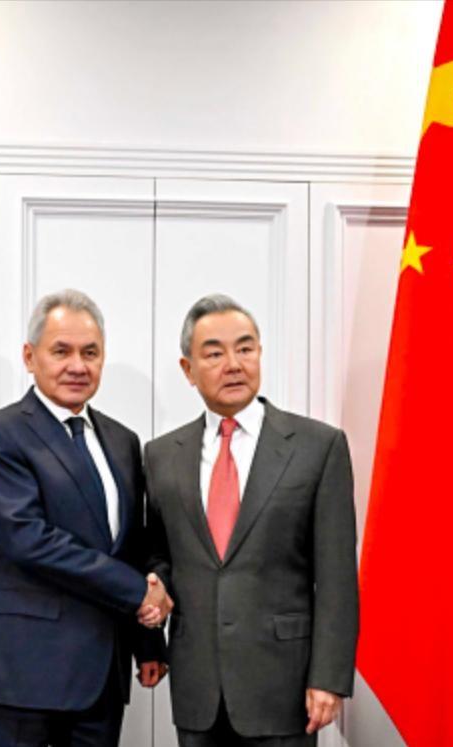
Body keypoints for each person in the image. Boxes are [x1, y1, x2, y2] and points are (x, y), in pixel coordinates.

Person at [0, 289, 171, 747]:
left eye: (90, 353)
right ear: (29, 357)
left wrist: (148, 638)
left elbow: (131, 543)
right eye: (61, 351)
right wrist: (138, 592)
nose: (78, 365)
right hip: (20, 674)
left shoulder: (123, 441)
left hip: (101, 676)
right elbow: (29, 540)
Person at [145, 294, 358, 746]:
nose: (234, 365)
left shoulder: (318, 447)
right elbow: (159, 554)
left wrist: (329, 677)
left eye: (245, 348)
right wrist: (155, 590)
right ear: (188, 369)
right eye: (214, 353)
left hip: (284, 687)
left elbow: (337, 576)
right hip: (198, 686)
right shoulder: (161, 455)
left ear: (260, 353)